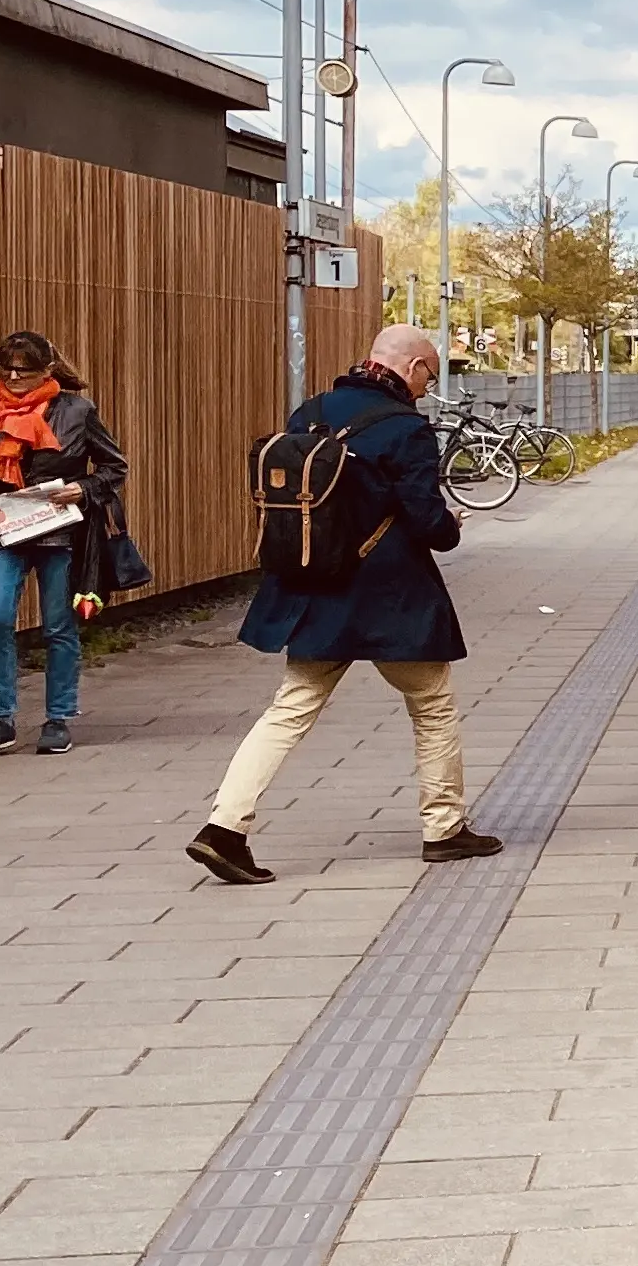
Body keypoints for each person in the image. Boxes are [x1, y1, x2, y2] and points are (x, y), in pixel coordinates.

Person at [188, 323, 503, 882]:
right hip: (390, 593)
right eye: (429, 372)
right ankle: (444, 828)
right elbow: (426, 518)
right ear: (410, 367)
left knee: (290, 709)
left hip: (314, 586)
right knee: (431, 705)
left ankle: (224, 827)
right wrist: (450, 526)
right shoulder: (407, 428)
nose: (428, 385)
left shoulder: (309, 412)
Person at [0, 329, 128, 758]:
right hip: (1, 532)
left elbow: (114, 466)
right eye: (5, 367)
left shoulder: (77, 411)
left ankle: (58, 718)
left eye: (23, 370)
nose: (12, 375)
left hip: (61, 532)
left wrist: (83, 488)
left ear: (47, 371)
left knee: (58, 626)